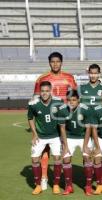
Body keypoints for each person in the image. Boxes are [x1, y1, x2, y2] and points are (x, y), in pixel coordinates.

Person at [33, 52, 77, 191]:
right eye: (53, 61)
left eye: (58, 61)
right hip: (48, 119)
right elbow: (35, 98)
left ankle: (63, 179)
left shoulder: (69, 78)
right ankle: (45, 177)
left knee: (64, 146)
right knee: (45, 148)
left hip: (65, 118)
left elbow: (74, 96)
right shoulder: (42, 78)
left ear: (61, 62)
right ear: (49, 63)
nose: (55, 64)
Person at [28, 81, 66, 195]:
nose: (44, 93)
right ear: (40, 92)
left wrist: (63, 139)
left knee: (57, 159)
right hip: (40, 136)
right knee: (34, 159)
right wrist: (34, 134)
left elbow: (63, 121)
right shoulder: (33, 104)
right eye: (42, 91)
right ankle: (38, 185)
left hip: (55, 136)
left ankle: (55, 184)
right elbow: (30, 118)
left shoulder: (58, 102)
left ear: (51, 91)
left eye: (47, 91)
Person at [57, 90, 94, 195]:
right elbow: (63, 129)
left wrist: (85, 145)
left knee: (87, 157)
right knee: (66, 158)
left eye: (74, 100)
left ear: (78, 100)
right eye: (69, 100)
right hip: (69, 136)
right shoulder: (63, 110)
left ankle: (88, 186)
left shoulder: (86, 109)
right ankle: (68, 186)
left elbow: (88, 129)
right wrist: (65, 146)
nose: (71, 102)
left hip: (83, 136)